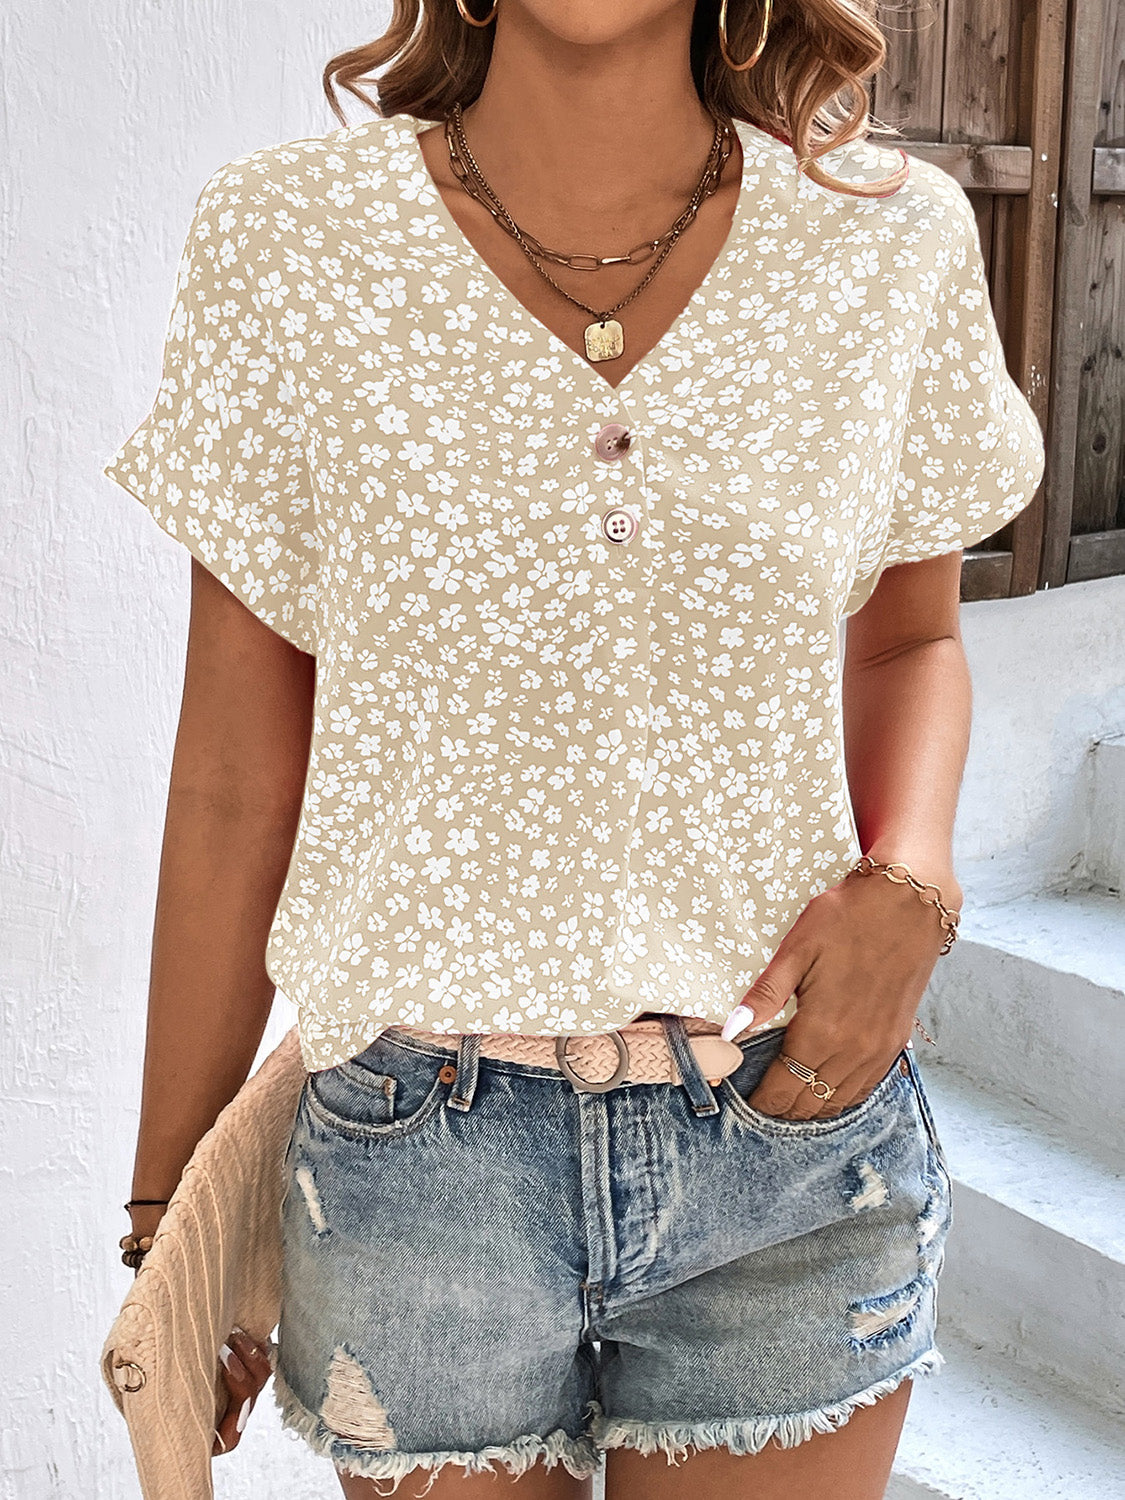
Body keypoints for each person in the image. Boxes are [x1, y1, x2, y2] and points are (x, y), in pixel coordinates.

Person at [102, 0, 1046, 1496]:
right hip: (415, 1163)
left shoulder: (887, 238)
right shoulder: (287, 241)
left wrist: (911, 884)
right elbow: (231, 767)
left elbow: (907, 640)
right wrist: (170, 1212)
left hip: (790, 1128)